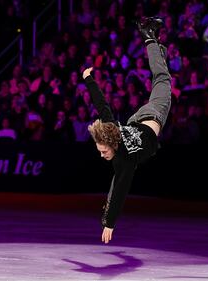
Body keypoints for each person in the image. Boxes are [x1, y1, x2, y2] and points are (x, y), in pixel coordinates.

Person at [82, 17, 171, 244]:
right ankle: (158, 47)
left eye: (103, 151)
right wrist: (88, 78)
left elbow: (121, 191)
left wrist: (110, 222)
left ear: (111, 142)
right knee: (116, 175)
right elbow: (101, 105)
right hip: (136, 121)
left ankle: (148, 35)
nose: (102, 155)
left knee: (162, 79)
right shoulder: (111, 132)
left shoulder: (127, 158)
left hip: (153, 114)